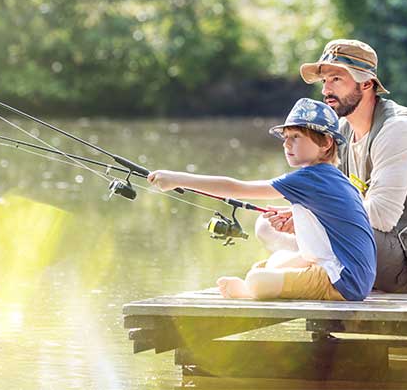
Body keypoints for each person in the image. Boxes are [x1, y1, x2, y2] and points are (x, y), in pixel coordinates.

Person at [261, 39, 407, 293]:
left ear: (366, 83)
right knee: (266, 227)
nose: (326, 91)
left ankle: (295, 273)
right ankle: (303, 271)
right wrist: (304, 212)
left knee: (308, 231)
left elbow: (381, 215)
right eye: (325, 81)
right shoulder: (343, 131)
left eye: (337, 79)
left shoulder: (398, 129)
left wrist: (316, 213)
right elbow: (338, 198)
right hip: (375, 248)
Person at [148, 98, 376, 302]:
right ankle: (257, 283)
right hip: (350, 275)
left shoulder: (310, 177)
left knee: (258, 279)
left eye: (296, 137)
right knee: (276, 261)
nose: (287, 144)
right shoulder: (330, 176)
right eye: (285, 138)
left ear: (326, 143)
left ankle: (249, 290)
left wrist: (177, 179)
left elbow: (237, 187)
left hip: (343, 282)